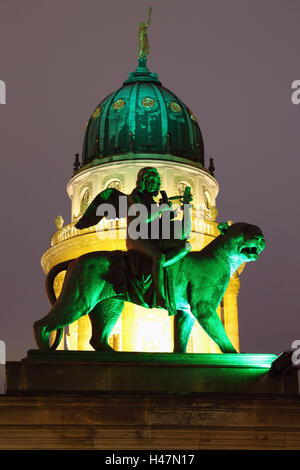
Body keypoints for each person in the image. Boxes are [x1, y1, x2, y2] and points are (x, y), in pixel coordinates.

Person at [126, 167, 192, 309]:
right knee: (158, 256)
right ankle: (160, 296)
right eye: (149, 180)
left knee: (185, 246)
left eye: (155, 181)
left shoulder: (152, 200)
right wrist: (160, 209)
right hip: (137, 237)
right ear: (142, 182)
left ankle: (158, 269)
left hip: (152, 236)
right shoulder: (134, 196)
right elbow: (142, 218)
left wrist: (186, 206)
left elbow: (184, 231)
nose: (152, 184)